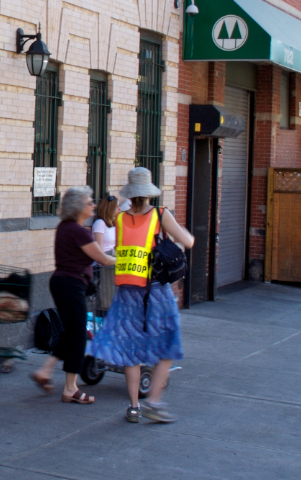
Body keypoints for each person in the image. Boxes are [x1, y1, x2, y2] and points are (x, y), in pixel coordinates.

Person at [88, 167, 194, 424]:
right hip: (155, 292)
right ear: (149, 192)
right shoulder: (160, 214)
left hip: (126, 293)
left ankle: (134, 406)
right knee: (167, 346)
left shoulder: (120, 218)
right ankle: (154, 403)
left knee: (130, 352)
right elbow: (188, 242)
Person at [31, 186, 116, 404]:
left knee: (73, 332)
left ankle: (47, 371)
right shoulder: (78, 231)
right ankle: (70, 388)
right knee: (77, 334)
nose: (93, 205)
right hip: (71, 284)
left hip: (64, 282)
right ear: (79, 207)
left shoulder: (65, 227)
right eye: (89, 202)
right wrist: (132, 260)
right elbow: (104, 259)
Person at [93, 194, 119, 310]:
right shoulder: (100, 223)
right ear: (110, 209)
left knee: (114, 293)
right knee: (107, 295)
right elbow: (99, 247)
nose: (119, 210)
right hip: (104, 262)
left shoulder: (112, 224)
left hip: (112, 258)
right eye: (117, 207)